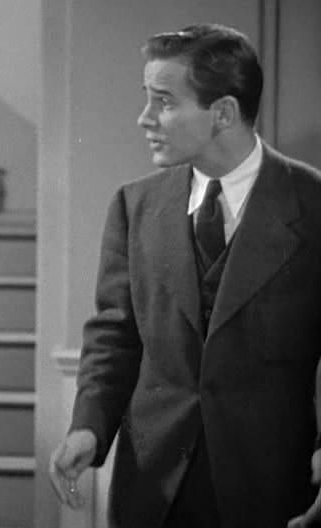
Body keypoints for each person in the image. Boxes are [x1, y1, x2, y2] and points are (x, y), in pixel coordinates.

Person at [49, 23, 321, 528]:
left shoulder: (312, 205)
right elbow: (115, 337)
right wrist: (89, 426)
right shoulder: (135, 205)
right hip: (152, 489)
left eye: (164, 102)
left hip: (272, 489)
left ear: (223, 113)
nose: (144, 118)